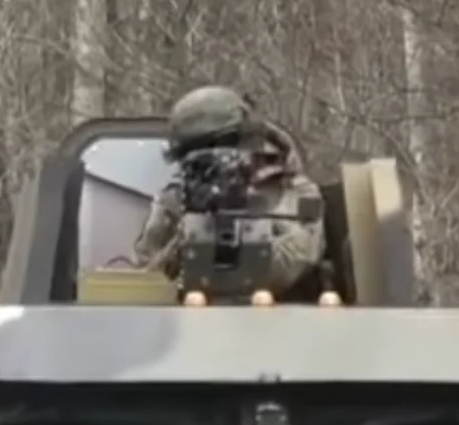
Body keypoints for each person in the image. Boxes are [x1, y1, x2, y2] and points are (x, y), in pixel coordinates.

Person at [130, 86, 326, 297]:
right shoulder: (177, 196)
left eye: (219, 150)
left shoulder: (290, 188)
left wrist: (247, 223)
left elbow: (295, 261)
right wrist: (183, 239)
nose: (208, 167)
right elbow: (147, 280)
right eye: (194, 161)